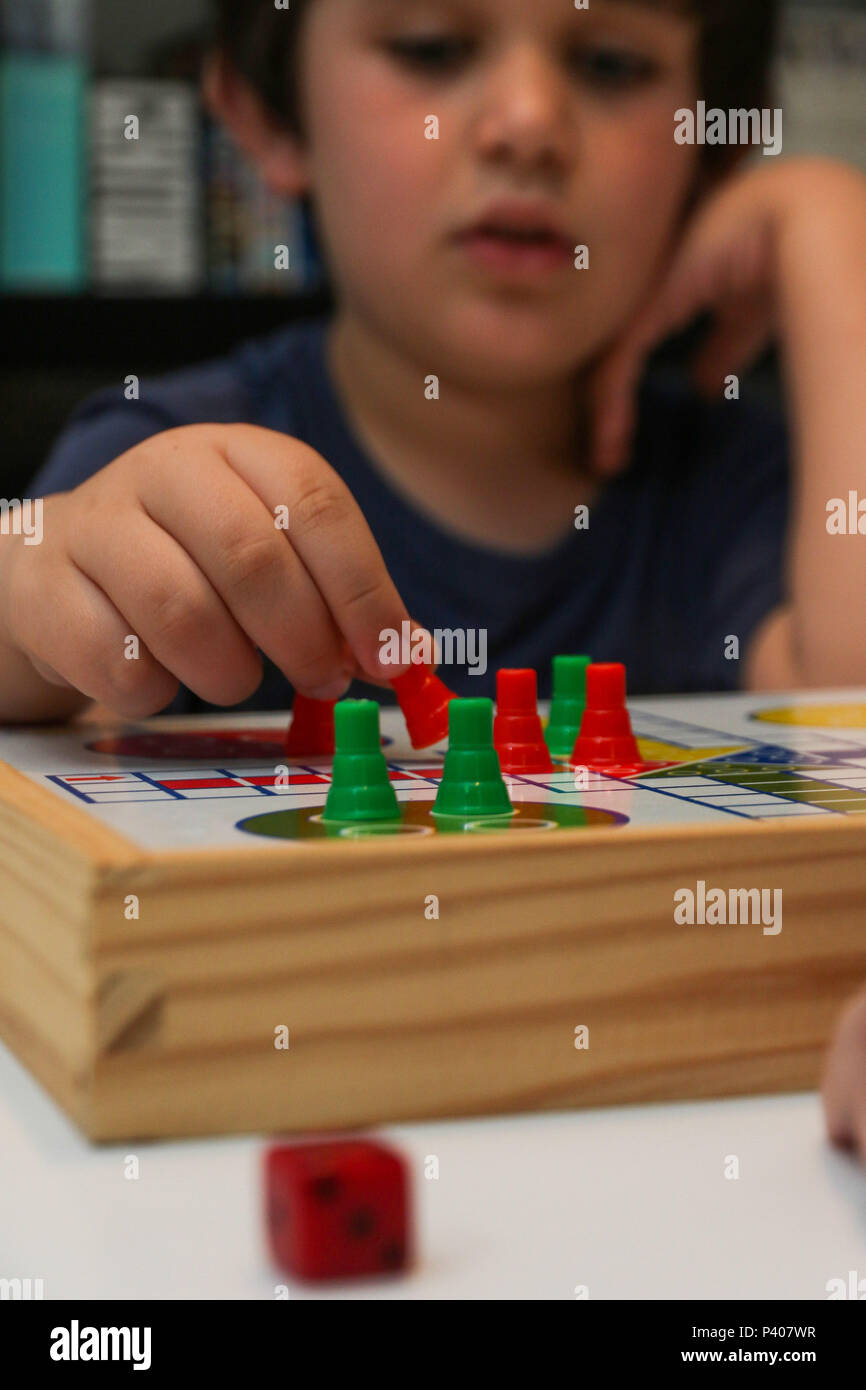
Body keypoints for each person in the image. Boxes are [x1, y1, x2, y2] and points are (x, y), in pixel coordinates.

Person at [1, 0, 865, 725]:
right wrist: (27, 600)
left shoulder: (746, 482)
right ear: (267, 114)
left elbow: (847, 722)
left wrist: (827, 224)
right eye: (431, 49)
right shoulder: (153, 449)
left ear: (709, 146)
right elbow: (32, 654)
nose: (528, 125)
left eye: (610, 64)